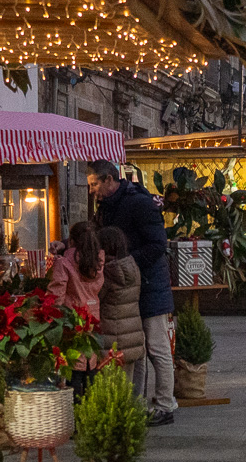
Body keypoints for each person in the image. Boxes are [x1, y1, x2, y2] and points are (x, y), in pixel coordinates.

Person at [87, 159, 175, 425]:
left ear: (109, 180)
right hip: (128, 287)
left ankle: (165, 404)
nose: (91, 191)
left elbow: (158, 244)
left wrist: (127, 263)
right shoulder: (106, 206)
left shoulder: (138, 202)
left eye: (94, 184)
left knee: (157, 347)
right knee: (134, 348)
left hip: (149, 286)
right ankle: (136, 403)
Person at [47, 221, 105, 397]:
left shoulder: (64, 262)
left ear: (71, 241)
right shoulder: (98, 260)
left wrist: (49, 316)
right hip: (93, 316)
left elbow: (56, 294)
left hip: (71, 318)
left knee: (74, 365)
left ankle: (75, 409)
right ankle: (91, 406)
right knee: (91, 362)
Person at [95, 227, 148, 381]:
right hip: (132, 337)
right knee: (127, 386)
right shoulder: (131, 266)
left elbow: (98, 296)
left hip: (112, 339)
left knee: (110, 388)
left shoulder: (109, 272)